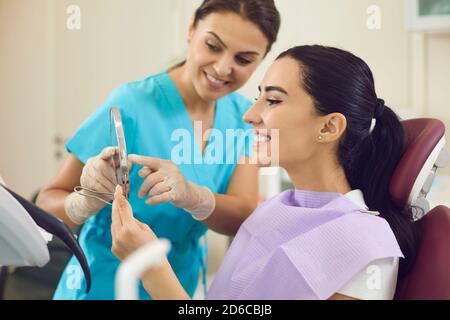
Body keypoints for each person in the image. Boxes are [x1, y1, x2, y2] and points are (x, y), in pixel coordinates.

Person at [110, 45, 419, 300]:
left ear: (328, 127)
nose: (249, 115)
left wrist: (152, 269)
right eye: (258, 96)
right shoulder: (275, 209)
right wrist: (192, 196)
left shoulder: (364, 245)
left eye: (272, 100)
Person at [36, 0, 281, 300]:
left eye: (244, 59)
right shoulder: (131, 104)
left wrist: (194, 197)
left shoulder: (244, 118)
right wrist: (84, 202)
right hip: (103, 284)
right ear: (191, 28)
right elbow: (46, 205)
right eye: (213, 46)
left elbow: (242, 214)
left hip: (177, 285)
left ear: (262, 59)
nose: (222, 68)